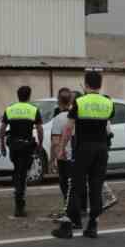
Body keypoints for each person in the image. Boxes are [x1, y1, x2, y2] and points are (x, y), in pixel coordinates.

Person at [52, 70, 113, 240]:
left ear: (86, 84)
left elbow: (69, 128)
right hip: (101, 150)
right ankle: (93, 226)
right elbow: (107, 126)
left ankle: (68, 227)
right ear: (100, 85)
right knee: (96, 187)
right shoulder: (108, 103)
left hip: (83, 148)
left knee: (75, 187)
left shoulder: (79, 102)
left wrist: (61, 149)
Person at [0, 85, 43, 218]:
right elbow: (40, 129)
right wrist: (40, 144)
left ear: (17, 96)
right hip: (27, 146)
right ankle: (19, 204)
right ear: (29, 96)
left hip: (14, 146)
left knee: (18, 171)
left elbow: (2, 128)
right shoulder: (33, 110)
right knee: (22, 174)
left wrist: (2, 145)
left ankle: (18, 195)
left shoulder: (10, 109)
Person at [47, 88, 75, 219]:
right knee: (74, 185)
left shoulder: (58, 119)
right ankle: (77, 209)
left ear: (59, 101)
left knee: (65, 185)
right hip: (76, 155)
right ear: (71, 101)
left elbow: (55, 142)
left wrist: (52, 160)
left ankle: (68, 211)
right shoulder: (77, 117)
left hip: (63, 156)